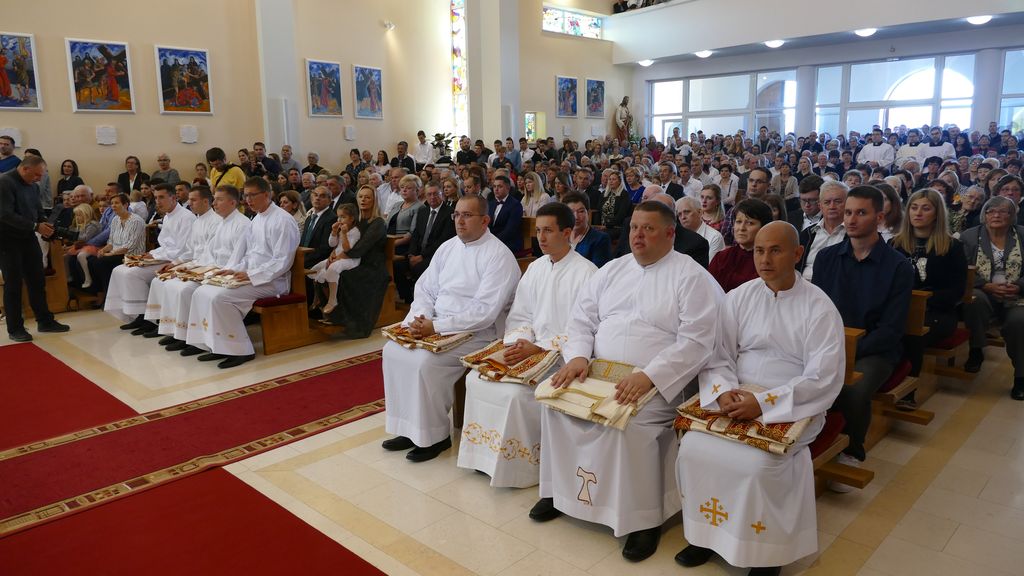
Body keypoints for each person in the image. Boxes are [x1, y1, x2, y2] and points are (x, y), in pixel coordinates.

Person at [532, 200, 722, 562]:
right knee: (556, 403)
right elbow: (581, 319)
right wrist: (577, 356)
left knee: (631, 424)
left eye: (648, 228)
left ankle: (643, 520)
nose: (638, 235)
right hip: (598, 372)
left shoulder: (691, 277)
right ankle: (560, 493)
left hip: (659, 380)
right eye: (634, 227)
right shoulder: (613, 270)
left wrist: (650, 375)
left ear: (670, 233)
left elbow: (697, 341)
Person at [674, 221, 845, 575]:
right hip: (738, 394)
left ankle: (767, 552)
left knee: (758, 464)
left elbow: (822, 377)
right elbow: (719, 355)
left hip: (795, 404)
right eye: (759, 251)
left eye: (775, 251)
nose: (765, 259)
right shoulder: (739, 297)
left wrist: (765, 403)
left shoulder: (820, 307)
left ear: (797, 254)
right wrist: (723, 391)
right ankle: (705, 535)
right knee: (693, 448)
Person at [457, 202, 597, 487]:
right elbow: (520, 314)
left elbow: (585, 329)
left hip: (562, 356)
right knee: (476, 379)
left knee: (515, 395)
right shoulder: (535, 268)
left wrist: (542, 349)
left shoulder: (587, 273)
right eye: (538, 231)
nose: (540, 238)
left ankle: (520, 468)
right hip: (530, 345)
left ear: (567, 233)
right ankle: (484, 457)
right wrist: (521, 341)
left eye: (548, 231)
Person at [380, 194, 520, 462]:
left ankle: (434, 436)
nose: (459, 221)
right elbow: (425, 288)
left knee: (424, 363)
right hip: (436, 323)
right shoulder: (448, 247)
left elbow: (485, 312)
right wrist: (420, 318)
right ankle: (409, 429)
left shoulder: (499, 255)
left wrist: (436, 326)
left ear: (485, 220)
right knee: (392, 351)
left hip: (478, 333)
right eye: (456, 215)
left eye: (467, 215)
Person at [812, 185, 913, 470]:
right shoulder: (826, 258)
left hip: (875, 350)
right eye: (848, 213)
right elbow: (814, 311)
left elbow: (891, 329)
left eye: (861, 213)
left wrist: (848, 351)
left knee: (853, 388)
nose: (851, 220)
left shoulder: (898, 266)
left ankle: (853, 449)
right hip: (829, 343)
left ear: (879, 218)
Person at [184, 177, 300, 369]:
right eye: (246, 195)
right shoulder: (257, 219)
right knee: (203, 291)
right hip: (252, 275)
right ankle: (217, 345)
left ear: (266, 194)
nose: (248, 200)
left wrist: (252, 275)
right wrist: (235, 269)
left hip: (273, 281)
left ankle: (240, 350)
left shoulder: (283, 220)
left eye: (252, 195)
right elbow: (250, 255)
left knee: (221, 298)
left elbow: (282, 261)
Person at [891, 188, 967, 407]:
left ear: (937, 214)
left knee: (913, 333)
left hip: (938, 312)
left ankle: (908, 392)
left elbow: (956, 291)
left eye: (925, 208)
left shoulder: (952, 247)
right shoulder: (895, 244)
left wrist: (923, 301)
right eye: (914, 208)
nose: (918, 213)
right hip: (901, 308)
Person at [153, 186, 252, 354]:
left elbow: (237, 257)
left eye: (219, 200)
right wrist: (186, 267)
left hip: (227, 271)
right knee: (171, 283)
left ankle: (212, 341)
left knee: (190, 291)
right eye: (215, 199)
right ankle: (183, 334)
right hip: (213, 268)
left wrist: (209, 271)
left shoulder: (241, 224)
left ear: (232, 202)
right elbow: (207, 253)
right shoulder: (223, 222)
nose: (215, 203)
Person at [106, 183, 197, 336]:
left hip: (176, 261)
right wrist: (150, 254)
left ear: (173, 198)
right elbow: (165, 245)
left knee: (132, 274)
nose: (158, 202)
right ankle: (139, 315)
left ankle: (149, 319)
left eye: (161, 197)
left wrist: (155, 256)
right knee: (119, 270)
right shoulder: (168, 217)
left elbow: (182, 249)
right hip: (164, 257)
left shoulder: (186, 217)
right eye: (155, 198)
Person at [0, 156, 70, 341]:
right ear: (25, 169)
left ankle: (45, 321)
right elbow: (5, 214)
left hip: (28, 238)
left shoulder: (33, 186)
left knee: (37, 280)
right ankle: (15, 328)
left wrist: (45, 224)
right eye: (37, 175)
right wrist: (35, 226)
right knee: (13, 284)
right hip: (7, 239)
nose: (39, 179)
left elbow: (37, 211)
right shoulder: (5, 182)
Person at [960, 195, 1024, 399]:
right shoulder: (969, 236)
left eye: (1003, 211)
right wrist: (985, 285)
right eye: (991, 211)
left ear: (1012, 216)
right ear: (984, 214)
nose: (996, 215)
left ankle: (1021, 376)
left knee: (1020, 321)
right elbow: (962, 269)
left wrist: (1018, 286)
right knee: (974, 299)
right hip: (984, 290)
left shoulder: (1022, 235)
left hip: (1016, 294)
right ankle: (976, 349)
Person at [321, 186, 389, 336]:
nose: (363, 200)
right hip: (354, 259)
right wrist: (334, 252)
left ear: (375, 200)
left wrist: (339, 257)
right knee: (324, 272)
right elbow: (342, 241)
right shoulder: (356, 220)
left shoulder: (377, 223)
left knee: (346, 276)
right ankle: (336, 316)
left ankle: (352, 322)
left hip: (372, 265)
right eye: (361, 197)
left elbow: (360, 249)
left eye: (367, 197)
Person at [393, 183, 455, 303]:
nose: (432, 197)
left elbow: (443, 241)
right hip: (417, 253)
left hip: (435, 256)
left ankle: (423, 300)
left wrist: (421, 256)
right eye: (429, 194)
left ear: (442, 194)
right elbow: (415, 235)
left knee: (419, 268)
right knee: (396, 265)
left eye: (435, 194)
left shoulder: (449, 213)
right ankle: (408, 298)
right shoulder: (423, 211)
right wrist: (411, 254)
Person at [88, 193, 147, 295]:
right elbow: (111, 242)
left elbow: (129, 246)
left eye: (116, 203)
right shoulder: (115, 220)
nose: (113, 206)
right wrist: (103, 250)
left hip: (132, 255)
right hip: (116, 253)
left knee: (101, 262)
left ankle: (110, 293)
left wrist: (110, 253)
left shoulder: (136, 221)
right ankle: (102, 292)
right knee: (91, 260)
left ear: (125, 205)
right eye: (112, 203)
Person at [307, 203, 360, 315]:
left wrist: (344, 234)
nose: (339, 220)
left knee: (332, 269)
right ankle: (317, 297)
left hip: (349, 259)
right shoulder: (341, 229)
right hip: (337, 256)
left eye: (343, 217)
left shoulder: (355, 232)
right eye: (338, 217)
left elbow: (347, 249)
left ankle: (333, 300)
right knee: (315, 269)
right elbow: (332, 244)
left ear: (352, 218)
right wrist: (334, 232)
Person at [709, 199, 771, 293]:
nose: (741, 228)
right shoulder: (721, 257)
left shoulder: (769, 261)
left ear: (763, 227)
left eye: (750, 223)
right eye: (738, 222)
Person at [798, 180, 848, 280]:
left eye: (837, 201)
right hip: (804, 285)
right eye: (827, 202)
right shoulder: (807, 234)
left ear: (848, 204)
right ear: (820, 205)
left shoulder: (855, 235)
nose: (832, 206)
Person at [562, 192, 611, 268]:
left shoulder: (600, 239)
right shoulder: (561, 236)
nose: (576, 217)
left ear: (588, 213)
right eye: (571, 212)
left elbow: (598, 270)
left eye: (581, 211)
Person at [677, 196, 724, 263]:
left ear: (700, 212)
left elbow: (710, 266)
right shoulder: (677, 237)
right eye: (679, 214)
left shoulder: (715, 237)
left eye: (687, 212)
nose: (683, 217)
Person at [299, 187, 338, 269]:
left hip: (317, 263)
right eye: (315, 195)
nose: (317, 198)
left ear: (329, 200)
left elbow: (325, 249)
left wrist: (303, 261)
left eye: (322, 196)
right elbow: (303, 242)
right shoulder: (309, 217)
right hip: (303, 259)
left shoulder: (332, 218)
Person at [487, 175, 523, 253]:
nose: (496, 189)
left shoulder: (515, 205)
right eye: (494, 186)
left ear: (508, 188)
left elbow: (510, 230)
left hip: (509, 243)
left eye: (500, 186)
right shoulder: (490, 204)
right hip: (492, 241)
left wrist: (494, 242)